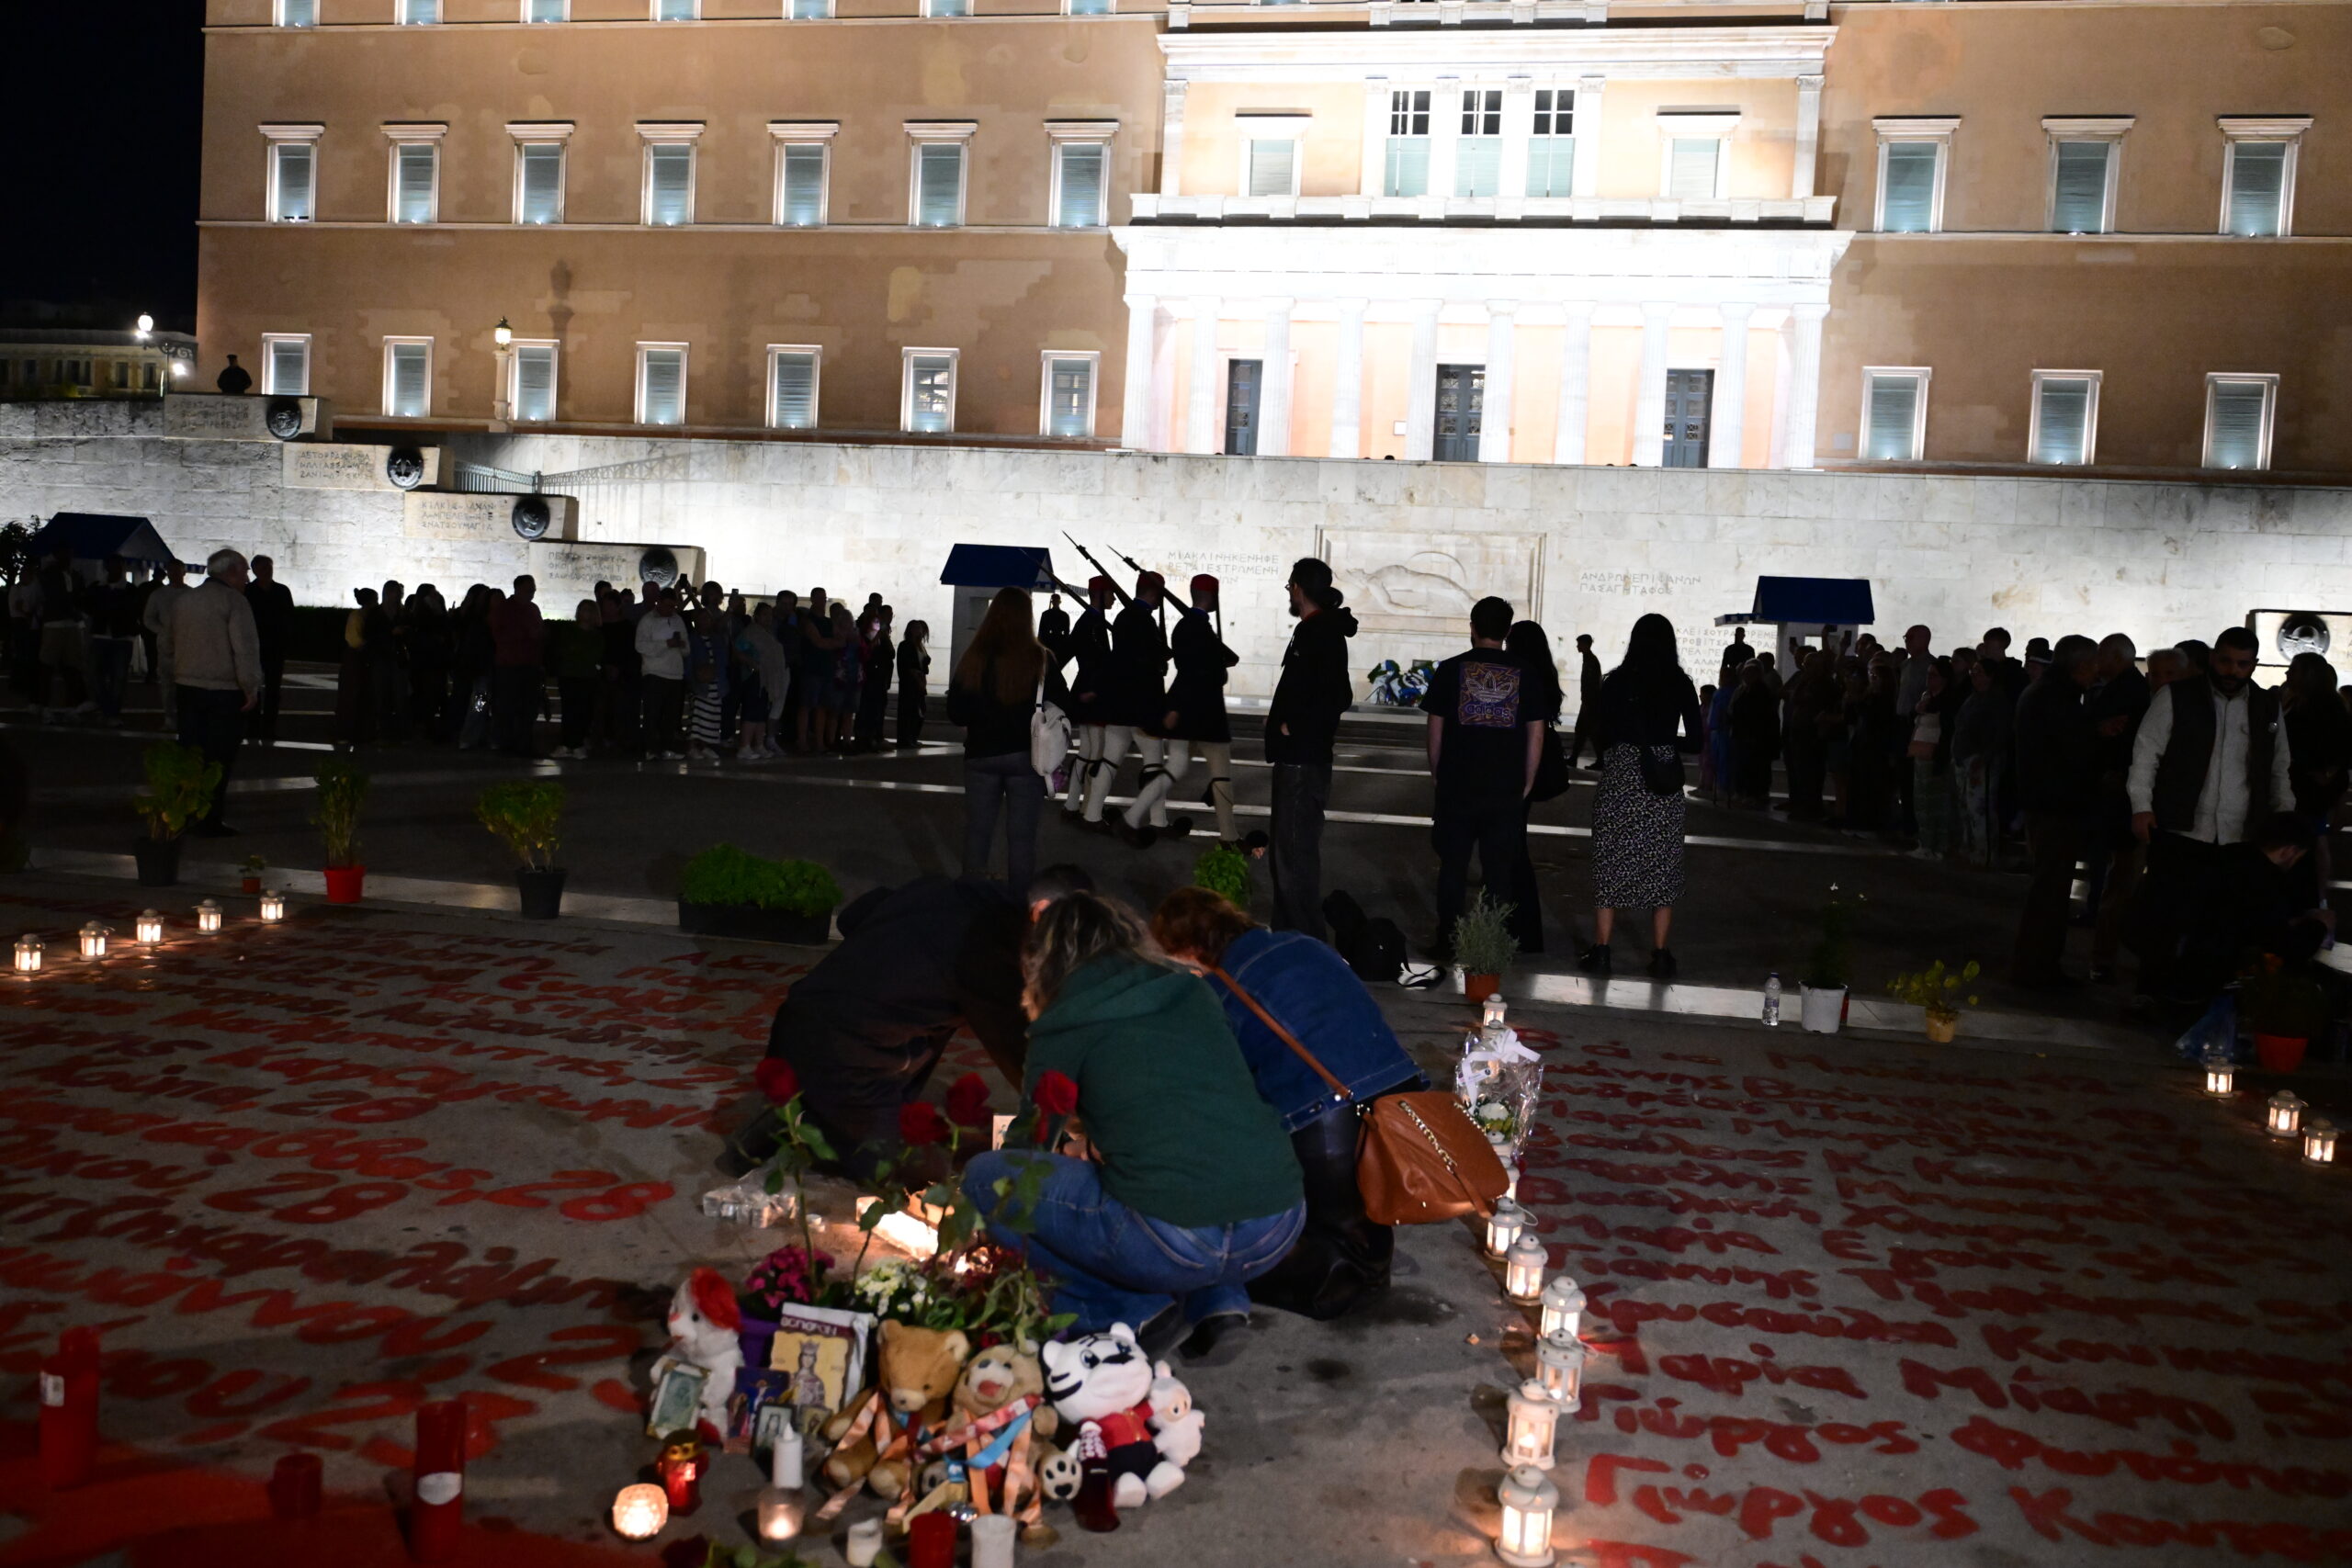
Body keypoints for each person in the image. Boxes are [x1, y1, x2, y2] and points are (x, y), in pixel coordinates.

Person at [963, 892, 1306, 1360]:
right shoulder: (1192, 989)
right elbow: (1201, 1108)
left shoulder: (1065, 1021)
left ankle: (1128, 1311)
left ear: (1043, 961)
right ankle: (1220, 1304)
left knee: (986, 1181)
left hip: (1175, 1239)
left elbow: (1031, 1146)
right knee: (1184, 1180)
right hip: (1277, 1221)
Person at [1150, 886, 1421, 1321]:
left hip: (1326, 1112)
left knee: (1323, 1225)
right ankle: (1367, 1270)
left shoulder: (1223, 988)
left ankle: (1330, 1282)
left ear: (1189, 949)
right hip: (1397, 1091)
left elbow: (1216, 1083)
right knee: (1358, 1214)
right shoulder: (1304, 943)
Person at [743, 864, 1095, 1182]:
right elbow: (1030, 1060)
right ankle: (809, 1123)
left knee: (932, 1020)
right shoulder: (988, 952)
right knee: (925, 1169)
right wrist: (1091, 1129)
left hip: (804, 1018)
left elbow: (856, 914)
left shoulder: (952, 890)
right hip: (836, 1053)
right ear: (1041, 913)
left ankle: (820, 1110)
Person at [2128, 625, 2295, 990]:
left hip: (2240, 835)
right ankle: (2151, 994)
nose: (2232, 671)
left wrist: (2285, 823)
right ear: (2212, 659)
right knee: (2164, 920)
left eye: (2242, 664)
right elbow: (2146, 754)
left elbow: (2279, 767)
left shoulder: (2267, 707)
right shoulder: (2176, 696)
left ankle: (2201, 997)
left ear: (2254, 665)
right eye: (2225, 661)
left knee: (2223, 924)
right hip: (2181, 829)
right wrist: (2141, 806)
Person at [1578, 613, 1702, 979]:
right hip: (1662, 778)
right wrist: (1665, 744)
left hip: (1621, 774)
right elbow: (1696, 741)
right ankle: (1661, 954)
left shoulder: (1616, 682)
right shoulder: (1680, 682)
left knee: (1610, 859)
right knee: (1662, 863)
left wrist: (1629, 745)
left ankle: (1602, 951)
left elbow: (1600, 731)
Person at [1420, 597, 1544, 959]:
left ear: (1472, 626)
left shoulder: (1450, 669)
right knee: (1498, 872)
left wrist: (1437, 772)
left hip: (1458, 782)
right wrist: (1528, 780)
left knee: (1453, 866)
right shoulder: (1526, 672)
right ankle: (1488, 942)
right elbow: (1536, 732)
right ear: (1507, 631)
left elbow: (1435, 727)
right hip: (1504, 785)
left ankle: (1447, 939)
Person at [1265, 558, 1356, 941]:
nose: (1288, 591)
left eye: (1290, 585)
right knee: (1286, 852)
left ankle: (1304, 939)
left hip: (1303, 757)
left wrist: (1294, 724)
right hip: (1297, 755)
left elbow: (1337, 694)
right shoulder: (1316, 630)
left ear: (1301, 588)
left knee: (1294, 853)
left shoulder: (1321, 633)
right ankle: (1288, 932)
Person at [2008, 636, 2098, 987]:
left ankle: (2037, 964)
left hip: (2044, 801)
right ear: (2079, 665)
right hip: (2055, 806)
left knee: (2049, 887)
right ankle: (2037, 967)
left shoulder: (2045, 693)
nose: (2096, 672)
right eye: (2093, 665)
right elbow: (2072, 752)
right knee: (2051, 890)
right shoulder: (2057, 698)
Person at [948, 588, 1048, 896]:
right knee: (1021, 837)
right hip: (1025, 755)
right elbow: (1063, 703)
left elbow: (956, 712)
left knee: (978, 830)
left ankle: (971, 894)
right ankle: (1018, 901)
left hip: (981, 753)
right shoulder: (1040, 658)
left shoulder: (974, 658)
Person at [162, 548, 261, 836]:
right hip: (223, 690)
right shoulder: (234, 602)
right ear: (230, 572)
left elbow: (167, 643)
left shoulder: (185, 600)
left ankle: (185, 813)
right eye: (244, 571)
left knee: (191, 753)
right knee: (218, 758)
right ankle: (210, 818)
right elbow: (245, 649)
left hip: (187, 686)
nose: (247, 577)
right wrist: (250, 687)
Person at [2083, 633, 2151, 981]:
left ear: (2115, 656)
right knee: (2118, 876)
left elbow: (2116, 741)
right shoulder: (2124, 689)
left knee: (2121, 878)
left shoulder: (2127, 692)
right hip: (2119, 797)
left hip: (2124, 800)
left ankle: (2106, 955)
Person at [1501, 620, 1564, 953]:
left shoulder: (1521, 675)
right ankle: (1523, 928)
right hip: (1528, 767)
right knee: (1515, 845)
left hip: (1515, 765)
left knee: (1512, 850)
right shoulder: (1544, 674)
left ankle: (1521, 928)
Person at [1060, 577, 1116, 818]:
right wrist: (1094, 688)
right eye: (1110, 594)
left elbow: (1068, 653)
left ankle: (1074, 804)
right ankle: (1089, 808)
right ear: (1100, 595)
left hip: (1087, 691)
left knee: (1087, 753)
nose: (1113, 598)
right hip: (1094, 695)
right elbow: (1098, 662)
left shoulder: (1090, 621)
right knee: (1096, 754)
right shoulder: (1093, 623)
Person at [488, 574, 545, 757]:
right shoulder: (504, 609)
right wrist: (525, 635)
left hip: (529, 664)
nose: (533, 591)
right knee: (508, 707)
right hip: (509, 664)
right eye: (530, 588)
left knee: (528, 708)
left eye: (533, 588)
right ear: (518, 588)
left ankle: (523, 742)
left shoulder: (532, 609)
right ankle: (507, 742)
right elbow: (498, 634)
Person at [81, 557, 141, 726]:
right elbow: (86, 605)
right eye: (114, 565)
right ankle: (109, 709)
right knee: (95, 674)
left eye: (119, 566)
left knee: (118, 677)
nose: (117, 569)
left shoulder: (129, 589)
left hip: (120, 637)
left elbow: (133, 610)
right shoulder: (99, 588)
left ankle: (111, 711)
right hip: (103, 635)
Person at [34, 544, 90, 719]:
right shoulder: (50, 574)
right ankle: (44, 705)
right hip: (56, 623)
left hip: (68, 624)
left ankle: (72, 705)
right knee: (48, 667)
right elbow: (57, 597)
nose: (69, 556)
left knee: (71, 667)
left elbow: (78, 596)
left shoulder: (73, 575)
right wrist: (77, 613)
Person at [636, 586, 690, 760]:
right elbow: (640, 646)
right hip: (654, 673)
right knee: (652, 713)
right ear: (658, 602)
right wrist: (666, 644)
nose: (670, 610)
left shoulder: (678, 620)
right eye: (667, 606)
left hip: (675, 673)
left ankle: (668, 748)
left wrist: (681, 646)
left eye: (673, 606)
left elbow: (687, 647)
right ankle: (650, 749)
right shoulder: (647, 621)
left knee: (671, 715)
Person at [245, 555, 294, 742]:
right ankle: (253, 726)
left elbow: (289, 618)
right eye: (264, 567)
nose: (268, 570)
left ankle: (269, 727)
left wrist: (285, 641)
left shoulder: (282, 591)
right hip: (254, 648)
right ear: (255, 570)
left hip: (275, 647)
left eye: (269, 567)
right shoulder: (248, 591)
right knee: (253, 688)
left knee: (274, 690)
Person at [548, 600, 603, 760]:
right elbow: (564, 651)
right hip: (569, 676)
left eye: (588, 610)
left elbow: (594, 654)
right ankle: (567, 743)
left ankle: (577, 743)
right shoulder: (569, 631)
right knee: (569, 711)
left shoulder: (596, 635)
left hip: (586, 677)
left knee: (583, 712)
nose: (584, 613)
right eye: (582, 609)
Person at [333, 586, 381, 750]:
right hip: (356, 659)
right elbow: (355, 641)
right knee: (351, 696)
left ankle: (359, 732)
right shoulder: (357, 616)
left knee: (362, 696)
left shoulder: (364, 615)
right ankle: (345, 733)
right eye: (375, 600)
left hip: (360, 658)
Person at [1567, 633, 1603, 766]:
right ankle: (1575, 758)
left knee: (1586, 731)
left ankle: (1596, 760)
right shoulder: (1589, 659)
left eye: (1579, 644)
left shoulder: (1591, 661)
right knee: (1584, 731)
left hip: (1590, 703)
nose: (1577, 646)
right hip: (1589, 702)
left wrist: (1588, 703)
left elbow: (1592, 684)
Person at [895, 619, 931, 750]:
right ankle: (905, 739)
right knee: (909, 710)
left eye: (920, 628)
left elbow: (923, 665)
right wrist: (918, 678)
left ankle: (913, 737)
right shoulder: (906, 645)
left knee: (919, 711)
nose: (919, 631)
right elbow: (907, 666)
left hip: (919, 682)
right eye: (916, 628)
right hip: (910, 683)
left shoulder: (920, 646)